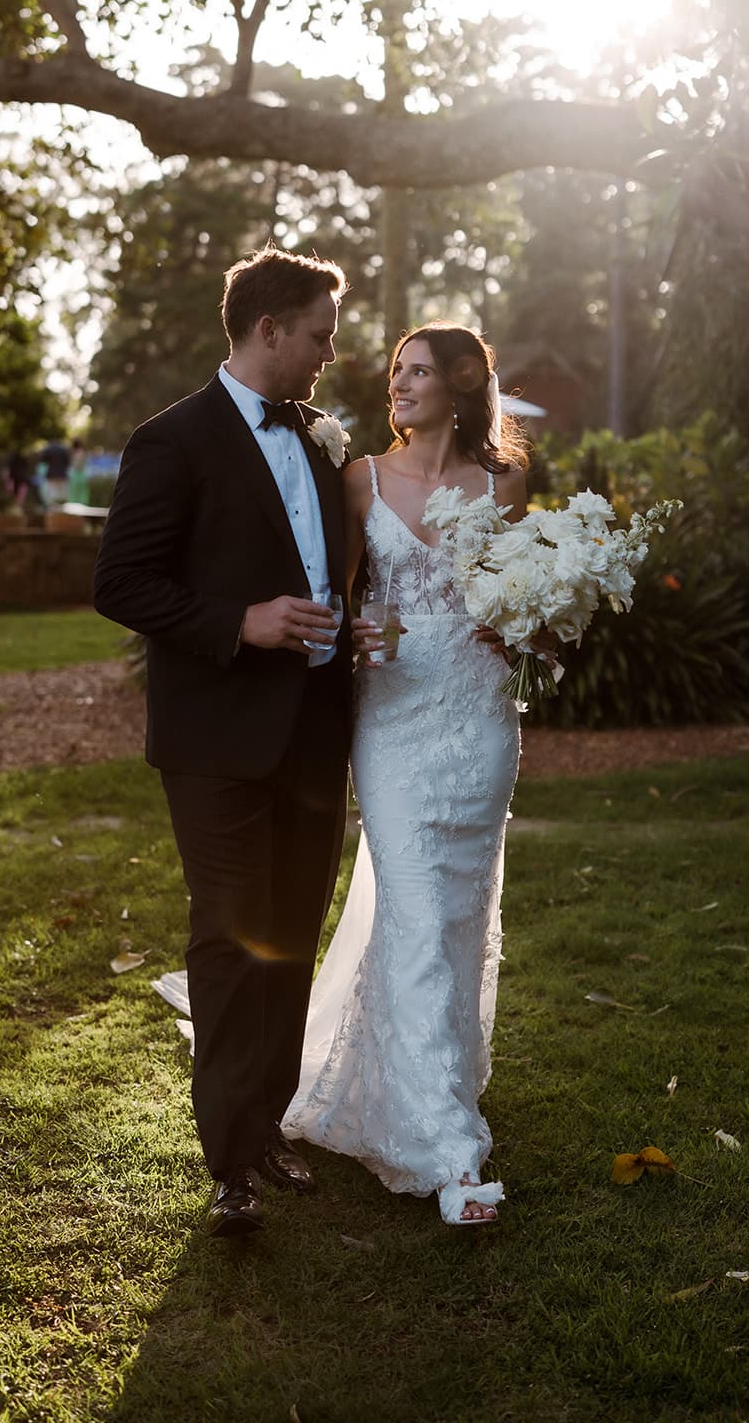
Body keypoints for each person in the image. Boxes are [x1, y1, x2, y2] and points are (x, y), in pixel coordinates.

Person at [93, 245, 353, 1239]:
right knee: (229, 937)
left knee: (289, 937)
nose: (329, 355)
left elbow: (333, 564)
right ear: (268, 328)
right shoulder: (171, 440)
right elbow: (119, 583)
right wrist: (239, 621)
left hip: (316, 732)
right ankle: (228, 1160)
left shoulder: (324, 440)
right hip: (216, 739)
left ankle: (268, 1123)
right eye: (318, 336)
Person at [281, 322, 530, 1226]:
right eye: (395, 371)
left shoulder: (505, 482)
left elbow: (517, 593)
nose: (399, 385)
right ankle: (449, 1152)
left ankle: (434, 1083)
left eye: (418, 372)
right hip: (390, 722)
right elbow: (335, 594)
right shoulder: (359, 480)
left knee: (456, 916)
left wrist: (526, 627)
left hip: (478, 716)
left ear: (462, 386)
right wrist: (352, 634)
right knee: (418, 909)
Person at [38, 439, 71, 506]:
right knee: (63, 491)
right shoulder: (63, 449)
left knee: (53, 491)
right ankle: (63, 507)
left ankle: (55, 507)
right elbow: (68, 462)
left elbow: (42, 460)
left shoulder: (48, 449)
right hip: (62, 473)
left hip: (51, 474)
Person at [66, 438, 91, 505]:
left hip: (77, 474)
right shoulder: (82, 452)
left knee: (75, 492)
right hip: (82, 474)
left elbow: (77, 465)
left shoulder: (77, 453)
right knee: (81, 492)